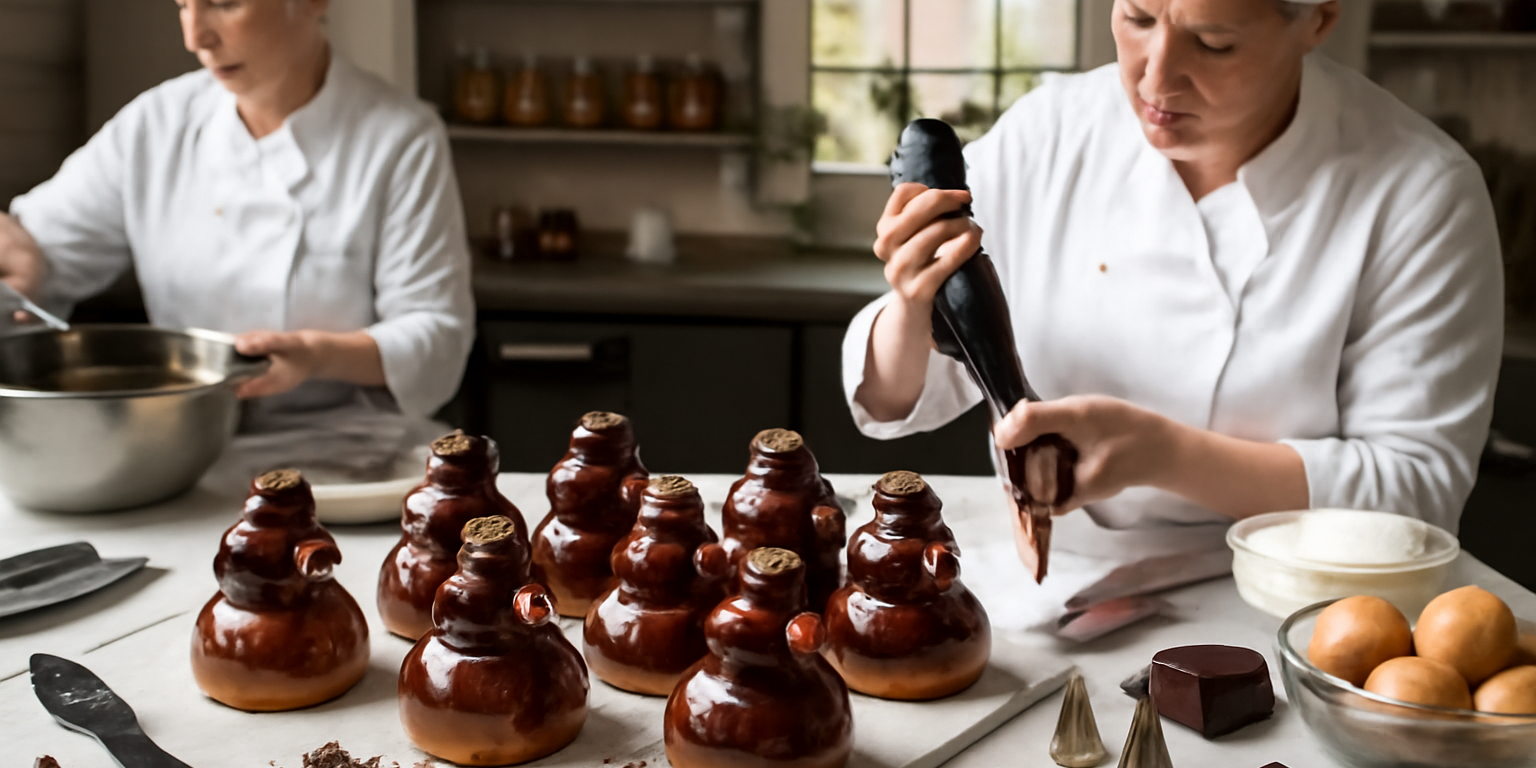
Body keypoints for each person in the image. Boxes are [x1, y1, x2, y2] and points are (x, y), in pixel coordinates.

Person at [843, 0, 1503, 611]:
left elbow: (1415, 497)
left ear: (1318, 19)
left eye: (1214, 44)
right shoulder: (1050, 133)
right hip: (1044, 585)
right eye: (1137, 17)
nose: (1156, 79)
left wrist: (1163, 454)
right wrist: (913, 300)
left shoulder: (1419, 190)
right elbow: (898, 396)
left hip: (1297, 601)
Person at [0, 0, 474, 442]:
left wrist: (317, 355)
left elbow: (436, 335)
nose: (195, 38)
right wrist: (16, 253)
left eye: (225, 3)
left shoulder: (401, 138)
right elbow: (32, 249)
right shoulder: (155, 127)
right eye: (184, 5)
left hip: (353, 448)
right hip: (186, 448)